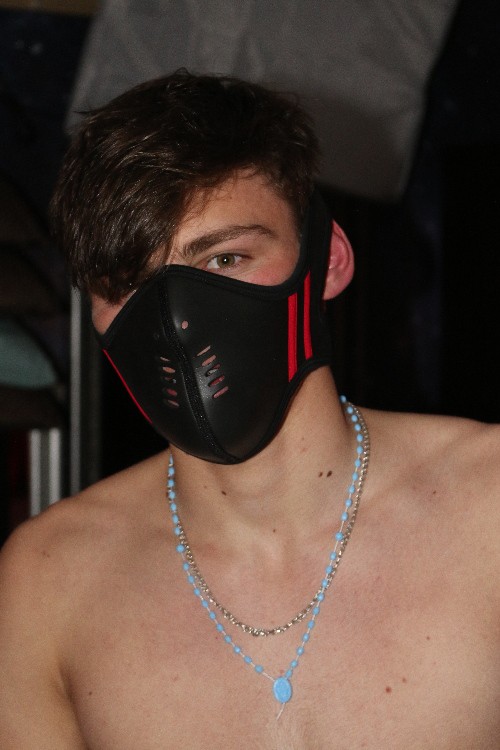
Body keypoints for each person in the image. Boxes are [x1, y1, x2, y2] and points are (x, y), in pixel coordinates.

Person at [0, 70, 498, 750]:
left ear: (328, 261)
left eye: (226, 258)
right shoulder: (48, 580)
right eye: (128, 284)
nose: (176, 320)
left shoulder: (487, 509)